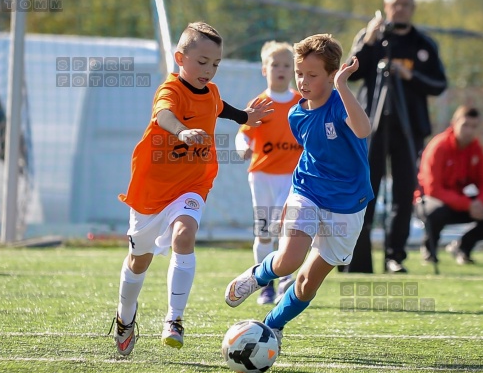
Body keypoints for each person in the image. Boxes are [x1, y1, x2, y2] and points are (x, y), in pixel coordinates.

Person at [110, 22, 273, 356]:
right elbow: (164, 114)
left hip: (193, 183)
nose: (209, 70)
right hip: (152, 190)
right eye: (202, 62)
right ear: (180, 58)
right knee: (138, 261)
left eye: (215, 64)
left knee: (185, 234)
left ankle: (174, 319)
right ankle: (125, 317)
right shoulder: (169, 90)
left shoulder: (210, 92)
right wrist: (182, 132)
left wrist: (245, 116)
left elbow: (218, 106)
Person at [224, 33, 373, 350]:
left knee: (306, 283)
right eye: (299, 73)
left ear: (332, 75)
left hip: (349, 205)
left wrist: (344, 87)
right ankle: (258, 277)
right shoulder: (296, 114)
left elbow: (363, 129)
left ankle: (273, 325)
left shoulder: (341, 103)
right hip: (307, 190)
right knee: (289, 259)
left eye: (312, 75)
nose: (303, 81)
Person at [344, 0, 447, 274]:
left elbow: (439, 84)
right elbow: (350, 74)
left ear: (412, 8)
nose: (400, 9)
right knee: (365, 190)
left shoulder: (422, 43)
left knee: (403, 194)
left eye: (405, 4)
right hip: (370, 127)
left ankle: (395, 256)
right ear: (385, 7)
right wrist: (368, 41)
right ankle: (355, 256)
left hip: (408, 127)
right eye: (395, 4)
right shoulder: (372, 37)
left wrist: (410, 75)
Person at [235, 40, 302, 305]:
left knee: (287, 228)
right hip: (262, 177)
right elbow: (244, 134)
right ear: (265, 69)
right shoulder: (260, 103)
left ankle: (286, 279)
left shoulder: (302, 102)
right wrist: (242, 148)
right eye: (275, 65)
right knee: (264, 231)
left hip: (293, 177)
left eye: (287, 65)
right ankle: (265, 285)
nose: (281, 69)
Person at [414, 105, 483, 265]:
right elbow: (433, 189)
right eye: (465, 125)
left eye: (474, 126)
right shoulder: (439, 146)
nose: (469, 131)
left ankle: (463, 247)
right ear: (454, 123)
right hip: (428, 202)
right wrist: (468, 204)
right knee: (436, 210)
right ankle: (429, 250)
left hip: (460, 204)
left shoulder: (476, 149)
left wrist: (480, 203)